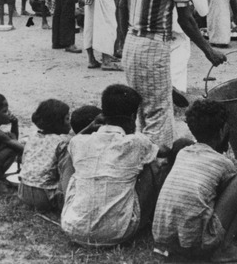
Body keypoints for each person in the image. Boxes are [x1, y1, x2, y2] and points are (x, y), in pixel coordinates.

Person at [118, 0, 226, 151]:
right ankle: (157, 171)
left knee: (143, 114)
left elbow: (121, 4)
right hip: (154, 45)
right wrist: (209, 51)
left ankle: (142, 164)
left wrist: (121, 38)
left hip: (132, 43)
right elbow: (186, 19)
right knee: (159, 115)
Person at [153, 100, 237, 261]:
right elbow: (233, 199)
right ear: (222, 131)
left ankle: (230, 239)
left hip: (163, 242)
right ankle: (224, 248)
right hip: (196, 245)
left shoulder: (183, 153)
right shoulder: (223, 163)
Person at [62, 85, 162, 246]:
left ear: (103, 113)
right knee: (151, 164)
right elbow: (161, 152)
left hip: (73, 228)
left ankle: (69, 204)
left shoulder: (78, 141)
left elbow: (71, 145)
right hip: (117, 232)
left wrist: (89, 127)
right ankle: (150, 218)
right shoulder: (137, 142)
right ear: (132, 116)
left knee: (70, 158)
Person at [18, 99, 71, 211]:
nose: (70, 122)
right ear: (57, 122)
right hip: (45, 196)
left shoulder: (33, 137)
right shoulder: (62, 142)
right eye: (67, 119)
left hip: (23, 191)